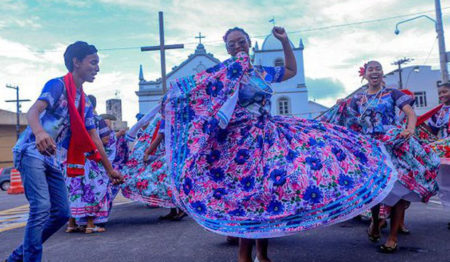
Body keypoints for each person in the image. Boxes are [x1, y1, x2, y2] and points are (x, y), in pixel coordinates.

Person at [161, 27, 399, 262]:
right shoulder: (224, 73)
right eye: (231, 44)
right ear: (226, 49)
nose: (237, 47)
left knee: (269, 192)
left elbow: (290, 70)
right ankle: (244, 255)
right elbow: (193, 93)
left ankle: (262, 254)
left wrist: (285, 41)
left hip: (267, 137)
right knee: (246, 194)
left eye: (241, 41)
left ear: (249, 43)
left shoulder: (263, 72)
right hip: (238, 144)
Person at [6, 41, 122, 262]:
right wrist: (40, 132)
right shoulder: (57, 85)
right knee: (41, 207)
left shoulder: (84, 101)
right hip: (30, 150)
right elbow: (33, 111)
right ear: (76, 62)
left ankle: (17, 257)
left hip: (51, 158)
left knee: (61, 213)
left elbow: (94, 137)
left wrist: (110, 170)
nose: (97, 68)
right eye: (93, 62)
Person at [321, 61, 440, 253]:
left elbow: (410, 113)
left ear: (382, 73)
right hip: (370, 148)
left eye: (378, 69)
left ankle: (392, 236)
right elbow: (345, 116)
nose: (375, 72)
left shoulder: (393, 94)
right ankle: (376, 222)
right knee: (375, 190)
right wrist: (340, 104)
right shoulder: (358, 99)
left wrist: (409, 129)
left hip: (393, 145)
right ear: (365, 75)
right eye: (371, 69)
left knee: (401, 187)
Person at [65, 96, 125, 234]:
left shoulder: (71, 120)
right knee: (94, 190)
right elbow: (105, 140)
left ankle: (71, 224)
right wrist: (115, 137)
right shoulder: (97, 120)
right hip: (91, 161)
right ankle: (91, 225)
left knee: (74, 191)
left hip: (73, 161)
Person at [121, 106, 185, 220]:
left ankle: (179, 209)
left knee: (161, 180)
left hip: (169, 155)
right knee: (169, 181)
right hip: (178, 154)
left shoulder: (167, 118)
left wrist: (147, 152)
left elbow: (160, 137)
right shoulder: (179, 116)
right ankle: (174, 209)